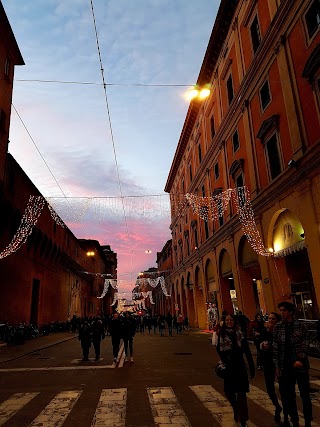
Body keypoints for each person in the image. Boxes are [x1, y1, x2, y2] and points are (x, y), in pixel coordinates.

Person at [273, 301, 312, 427]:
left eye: (284, 310)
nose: (282, 312)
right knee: (289, 396)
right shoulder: (278, 327)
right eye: (280, 310)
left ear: (290, 311)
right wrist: (277, 365)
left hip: (300, 365)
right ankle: (294, 420)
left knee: (305, 395)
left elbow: (305, 343)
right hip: (285, 366)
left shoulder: (301, 326)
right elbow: (276, 347)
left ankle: (307, 421)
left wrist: (300, 359)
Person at [216, 314, 255, 427]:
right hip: (229, 366)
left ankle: (243, 419)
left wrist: (251, 367)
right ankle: (236, 408)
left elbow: (247, 350)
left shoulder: (240, 333)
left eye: (231, 320)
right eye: (227, 320)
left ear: (234, 321)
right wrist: (224, 360)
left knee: (242, 393)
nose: (229, 322)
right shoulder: (221, 334)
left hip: (240, 365)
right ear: (224, 321)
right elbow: (219, 350)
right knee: (229, 392)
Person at [258, 312, 285, 423]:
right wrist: (262, 345)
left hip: (280, 363)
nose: (271, 320)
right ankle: (277, 405)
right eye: (269, 318)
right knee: (269, 388)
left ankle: (287, 412)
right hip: (268, 362)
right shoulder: (265, 332)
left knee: (283, 387)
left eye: (273, 319)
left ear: (278, 320)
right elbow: (258, 344)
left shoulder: (281, 332)